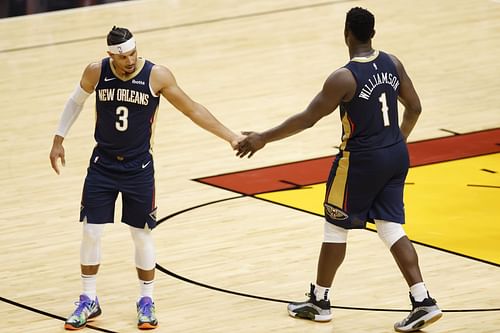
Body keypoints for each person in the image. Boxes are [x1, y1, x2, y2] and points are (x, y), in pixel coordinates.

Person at [236, 7, 442, 332]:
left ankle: (319, 302)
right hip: (396, 155)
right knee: (390, 227)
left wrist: (262, 138)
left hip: (361, 161)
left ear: (346, 32)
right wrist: (395, 141)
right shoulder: (392, 62)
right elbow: (415, 107)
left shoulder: (344, 77)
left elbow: (307, 118)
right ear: (372, 33)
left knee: (335, 226)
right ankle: (423, 300)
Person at [49, 26, 242, 330]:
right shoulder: (96, 72)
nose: (129, 61)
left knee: (141, 234)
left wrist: (231, 136)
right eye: (123, 57)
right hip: (102, 165)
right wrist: (59, 138)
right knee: (91, 231)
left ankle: (146, 300)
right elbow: (75, 101)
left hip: (139, 168)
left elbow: (192, 109)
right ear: (111, 55)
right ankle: (88, 299)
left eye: (133, 54)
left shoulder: (156, 76)